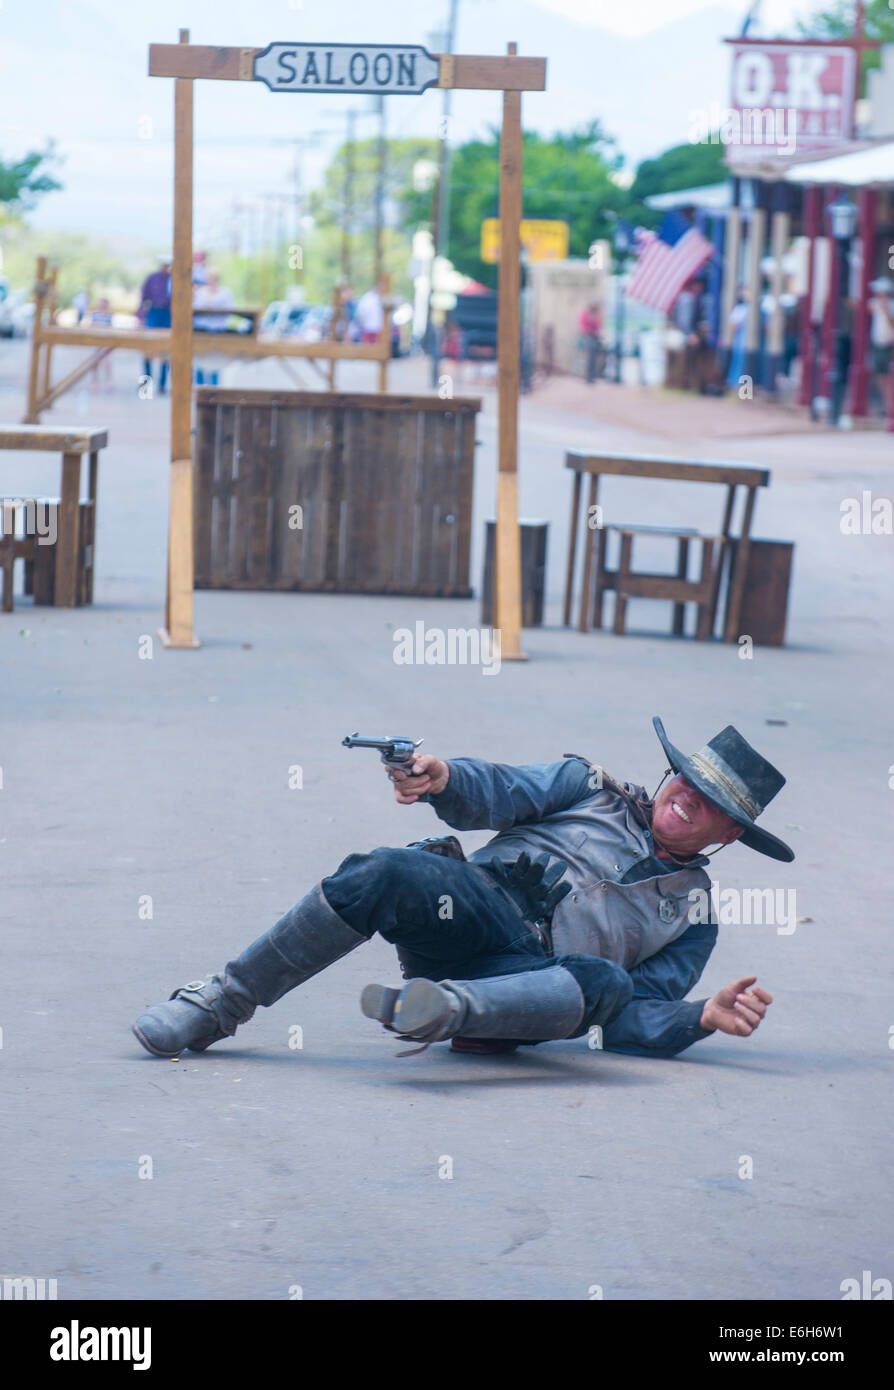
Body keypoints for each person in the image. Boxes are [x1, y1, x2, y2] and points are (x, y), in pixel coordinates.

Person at [132, 717, 791, 1062]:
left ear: (729, 835)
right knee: (381, 870)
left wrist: (696, 1017)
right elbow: (502, 789)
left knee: (609, 985)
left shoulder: (694, 915)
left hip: (537, 987)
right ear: (669, 774)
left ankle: (446, 1012)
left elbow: (625, 1016)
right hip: (470, 914)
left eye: (710, 805)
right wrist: (443, 776)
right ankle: (220, 1003)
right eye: (687, 783)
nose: (687, 802)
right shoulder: (589, 786)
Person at [193, 269, 235, 386]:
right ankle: (199, 386)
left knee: (216, 359)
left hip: (218, 329)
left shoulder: (225, 292)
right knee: (200, 359)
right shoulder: (200, 292)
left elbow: (230, 308)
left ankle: (214, 388)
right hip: (202, 329)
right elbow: (195, 307)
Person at [139, 255, 172, 395]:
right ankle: (146, 386)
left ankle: (162, 385)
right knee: (147, 349)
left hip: (168, 314)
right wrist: (141, 315)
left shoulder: (174, 279)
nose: (166, 267)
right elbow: (144, 296)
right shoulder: (152, 278)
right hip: (153, 312)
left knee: (166, 351)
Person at [868, 277, 894, 417]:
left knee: (889, 376)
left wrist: (886, 309)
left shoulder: (891, 306)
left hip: (888, 345)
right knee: (880, 375)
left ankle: (890, 406)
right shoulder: (875, 304)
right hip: (877, 344)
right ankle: (886, 405)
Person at [89, 298, 113, 392]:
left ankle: (108, 381)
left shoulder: (109, 314)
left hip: (105, 341)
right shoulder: (95, 314)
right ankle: (95, 382)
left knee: (106, 362)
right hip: (97, 341)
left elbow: (110, 327)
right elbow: (92, 325)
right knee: (95, 363)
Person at [726, 288, 749, 389]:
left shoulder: (749, 308)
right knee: (738, 359)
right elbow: (733, 324)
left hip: (745, 337)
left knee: (742, 360)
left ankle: (740, 382)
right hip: (741, 337)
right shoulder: (740, 308)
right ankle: (734, 381)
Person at [578, 301, 603, 384]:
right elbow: (583, 325)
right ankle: (588, 377)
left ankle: (592, 377)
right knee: (589, 358)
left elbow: (599, 325)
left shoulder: (597, 314)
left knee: (593, 358)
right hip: (588, 337)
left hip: (594, 337)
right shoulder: (586, 314)